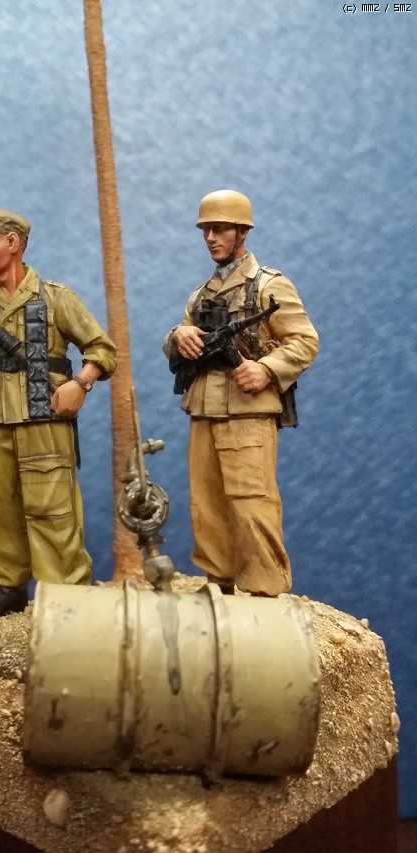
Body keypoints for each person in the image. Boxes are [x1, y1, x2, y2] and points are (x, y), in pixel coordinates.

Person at [163, 190, 319, 596]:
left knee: (252, 501)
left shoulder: (269, 286)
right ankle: (219, 581)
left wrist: (266, 369)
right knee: (207, 502)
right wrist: (178, 335)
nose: (211, 238)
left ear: (242, 232)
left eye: (220, 229)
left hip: (247, 409)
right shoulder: (202, 293)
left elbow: (304, 341)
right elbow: (180, 338)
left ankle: (265, 589)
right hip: (204, 406)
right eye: (206, 230)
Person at [0, 207, 116, 617]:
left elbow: (103, 350)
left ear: (12, 243)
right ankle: (9, 586)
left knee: (52, 511)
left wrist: (80, 384)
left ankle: (65, 598)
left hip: (43, 422)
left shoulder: (55, 298)